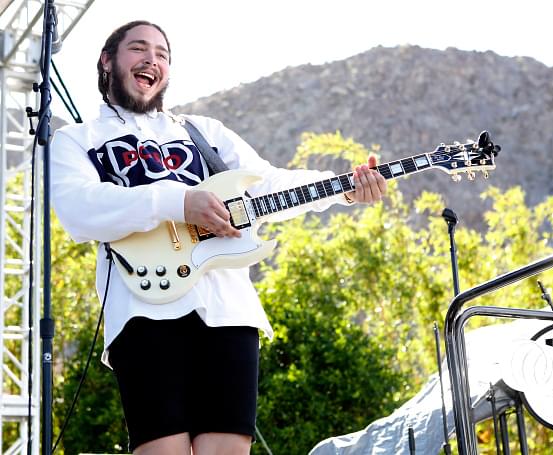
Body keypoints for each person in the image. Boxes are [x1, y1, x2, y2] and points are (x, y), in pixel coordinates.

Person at [50, 20, 387, 455]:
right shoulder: (77, 140)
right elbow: (80, 210)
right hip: (144, 307)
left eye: (163, 53)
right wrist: (178, 202)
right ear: (107, 60)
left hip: (228, 311)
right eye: (138, 48)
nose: (152, 59)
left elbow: (267, 184)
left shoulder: (204, 131)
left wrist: (342, 187)